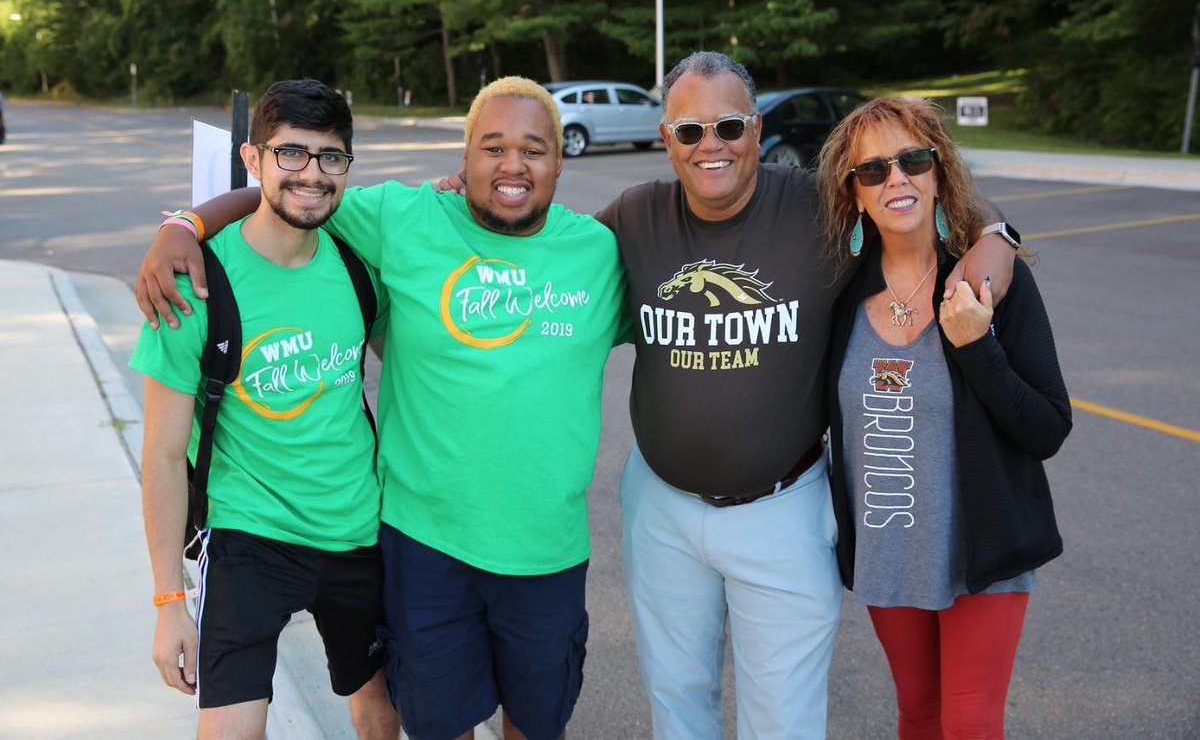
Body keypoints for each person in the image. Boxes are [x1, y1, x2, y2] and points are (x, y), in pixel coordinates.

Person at [134, 76, 630, 740]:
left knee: (503, 721)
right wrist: (184, 223)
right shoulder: (391, 221)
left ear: (561, 158)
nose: (513, 165)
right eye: (493, 147)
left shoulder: (596, 254)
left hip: (485, 547)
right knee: (418, 722)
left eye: (533, 149)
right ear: (464, 156)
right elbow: (293, 193)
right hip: (393, 544)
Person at [596, 52, 1020, 740]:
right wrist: (459, 199)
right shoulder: (635, 215)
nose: (712, 145)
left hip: (784, 509)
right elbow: (540, 258)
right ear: (664, 134)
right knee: (676, 700)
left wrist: (995, 235)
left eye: (730, 125)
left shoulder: (817, 207)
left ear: (757, 128)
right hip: (662, 509)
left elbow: (933, 198)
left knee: (784, 717)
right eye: (689, 130)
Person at [131, 79, 398, 739]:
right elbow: (162, 455)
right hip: (250, 537)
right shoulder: (192, 284)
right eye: (292, 154)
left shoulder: (359, 262)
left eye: (331, 156)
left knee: (380, 709)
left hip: (356, 530)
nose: (312, 173)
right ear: (252, 159)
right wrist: (170, 602)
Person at [817, 96, 1071, 738]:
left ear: (938, 172)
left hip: (981, 548)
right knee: (919, 716)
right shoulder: (840, 293)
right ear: (853, 194)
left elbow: (1048, 426)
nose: (895, 179)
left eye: (912, 160)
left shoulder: (984, 285)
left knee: (970, 725)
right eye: (872, 170)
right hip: (888, 550)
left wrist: (977, 346)